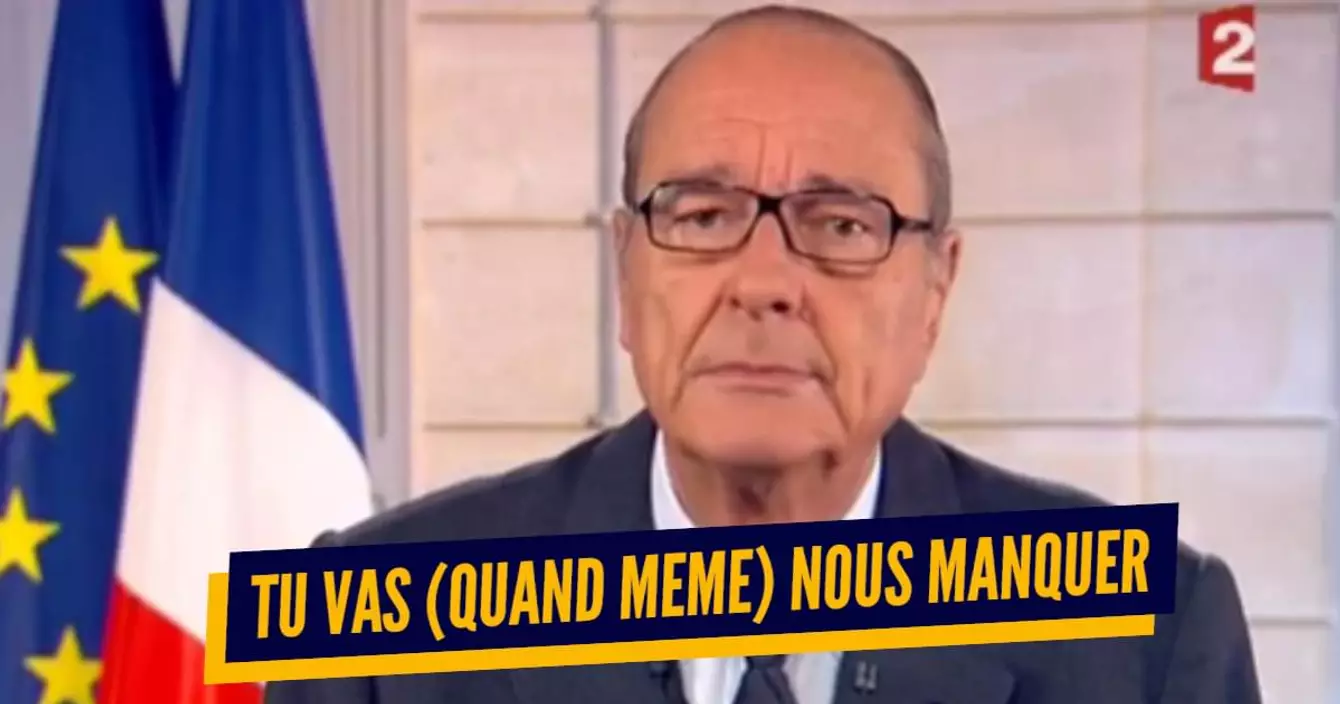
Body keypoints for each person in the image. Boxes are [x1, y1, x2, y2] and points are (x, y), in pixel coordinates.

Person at [264, 5, 1262, 703]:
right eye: (702, 215)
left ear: (935, 290)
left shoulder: (1150, 636)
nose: (762, 281)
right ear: (626, 272)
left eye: (840, 225)